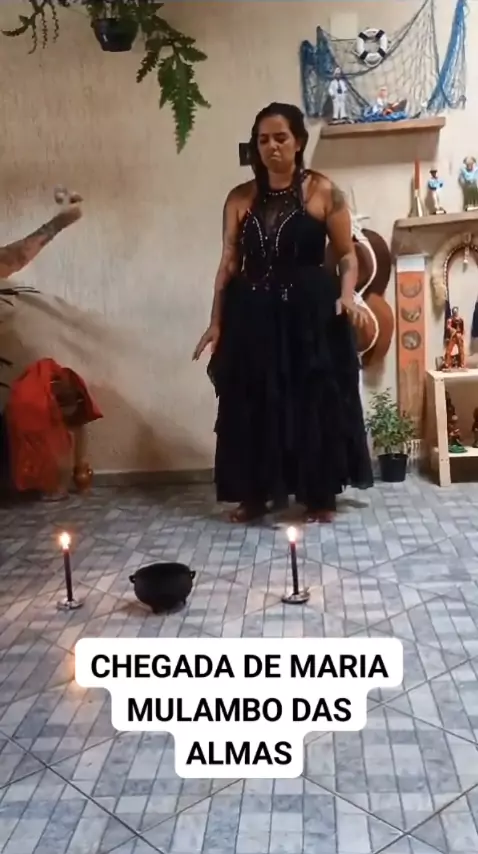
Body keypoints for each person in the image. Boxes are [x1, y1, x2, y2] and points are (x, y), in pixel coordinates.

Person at [193, 102, 373, 523]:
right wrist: (216, 321)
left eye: (280, 138)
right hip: (252, 315)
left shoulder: (324, 192)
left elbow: (347, 255)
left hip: (310, 315)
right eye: (263, 140)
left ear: (299, 142)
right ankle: (255, 495)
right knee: (252, 401)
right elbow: (228, 263)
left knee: (312, 401)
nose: (271, 147)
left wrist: (348, 295)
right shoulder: (239, 198)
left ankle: (318, 496)